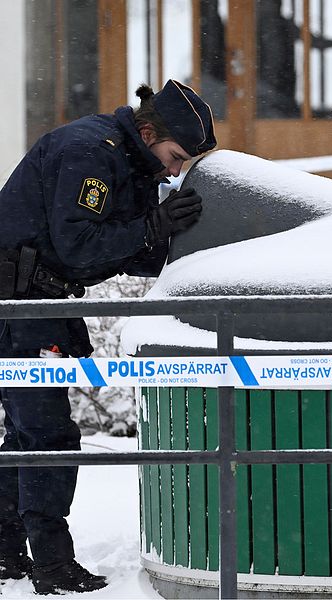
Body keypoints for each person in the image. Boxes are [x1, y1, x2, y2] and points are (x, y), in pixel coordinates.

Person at [0, 79, 216, 594]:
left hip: (37, 302)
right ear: (147, 132)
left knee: (28, 437)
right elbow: (80, 246)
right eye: (174, 157)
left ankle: (6, 553)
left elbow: (124, 251)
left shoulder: (128, 160)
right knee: (47, 438)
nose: (173, 170)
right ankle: (51, 565)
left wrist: (171, 235)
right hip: (21, 305)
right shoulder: (89, 154)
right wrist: (153, 227)